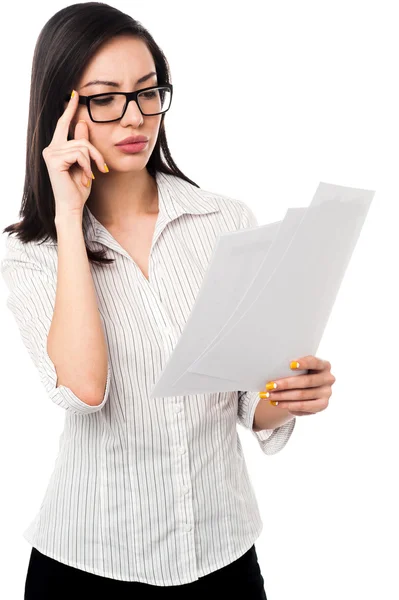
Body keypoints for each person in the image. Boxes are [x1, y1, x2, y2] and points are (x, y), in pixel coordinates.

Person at [1, 3, 298, 598]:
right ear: (60, 112)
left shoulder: (226, 222)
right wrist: (66, 215)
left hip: (224, 557)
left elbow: (249, 404)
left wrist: (288, 394)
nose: (134, 117)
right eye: (104, 98)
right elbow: (83, 390)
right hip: (88, 565)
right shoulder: (30, 252)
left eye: (147, 92)